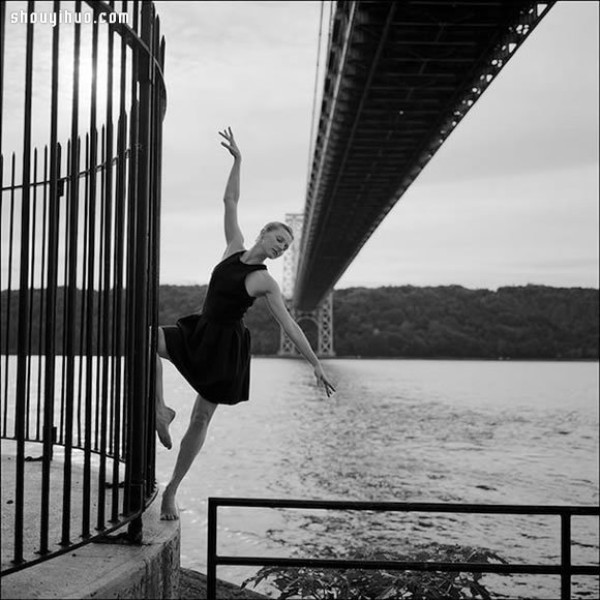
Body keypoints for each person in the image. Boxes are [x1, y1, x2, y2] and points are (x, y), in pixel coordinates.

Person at [155, 127, 336, 520]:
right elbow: (230, 199)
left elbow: (290, 325)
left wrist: (316, 363)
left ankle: (171, 491)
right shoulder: (233, 247)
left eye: (286, 247)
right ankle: (160, 410)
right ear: (264, 233)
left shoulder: (265, 283)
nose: (281, 247)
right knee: (144, 340)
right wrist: (239, 161)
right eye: (278, 238)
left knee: (202, 418)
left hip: (224, 348)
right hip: (199, 330)